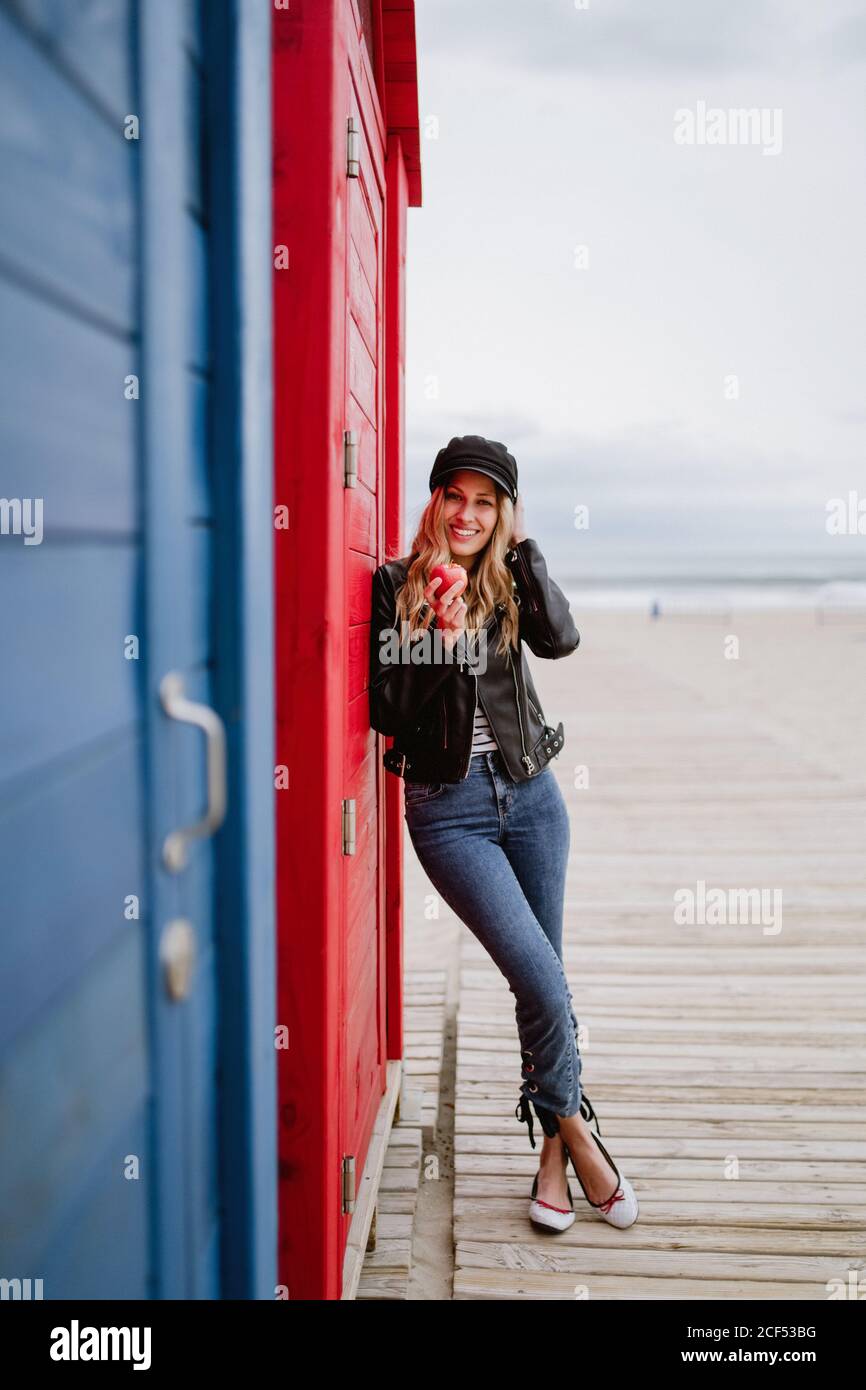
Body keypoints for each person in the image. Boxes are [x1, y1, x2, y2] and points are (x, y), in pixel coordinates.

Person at [368, 435, 638, 1233]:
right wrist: (438, 642)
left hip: (534, 799)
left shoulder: (509, 580)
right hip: (448, 812)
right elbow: (387, 708)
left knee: (539, 982)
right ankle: (580, 1134)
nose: (468, 514)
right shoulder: (397, 586)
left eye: (487, 502)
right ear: (435, 501)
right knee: (545, 981)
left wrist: (524, 553)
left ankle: (550, 1157)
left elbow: (561, 638)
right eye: (455, 496)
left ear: (504, 514)